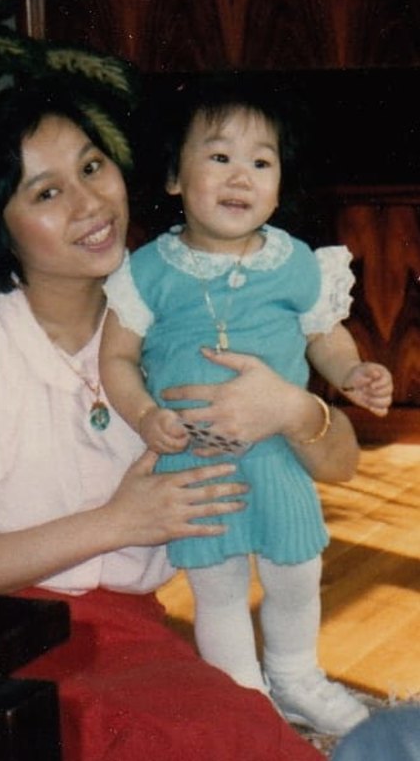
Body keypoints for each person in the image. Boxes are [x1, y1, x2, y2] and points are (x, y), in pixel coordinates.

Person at [0, 80, 361, 761]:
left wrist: (294, 409)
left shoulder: (168, 305)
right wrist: (118, 523)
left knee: (237, 736)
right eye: (46, 193)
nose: (90, 203)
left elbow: (340, 463)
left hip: (128, 626)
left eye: (90, 167)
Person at [100, 77, 393, 737]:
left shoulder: (297, 264)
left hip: (278, 454)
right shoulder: (148, 270)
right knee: (220, 582)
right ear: (174, 176)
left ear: (282, 183)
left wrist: (353, 371)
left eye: (262, 161)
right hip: (195, 463)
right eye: (219, 156)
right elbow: (116, 358)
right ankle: (242, 697)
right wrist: (145, 414)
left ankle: (297, 678)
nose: (241, 176)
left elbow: (323, 334)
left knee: (297, 566)